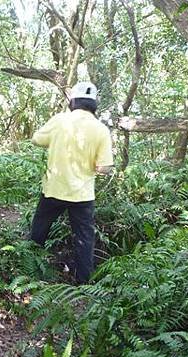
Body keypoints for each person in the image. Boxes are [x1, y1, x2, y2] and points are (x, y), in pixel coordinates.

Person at [30, 81, 114, 284]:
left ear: (73, 101)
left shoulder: (60, 120)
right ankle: (84, 283)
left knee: (39, 230)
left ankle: (30, 270)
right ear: (94, 104)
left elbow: (36, 139)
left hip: (54, 189)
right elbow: (105, 168)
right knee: (85, 238)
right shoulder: (101, 129)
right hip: (82, 195)